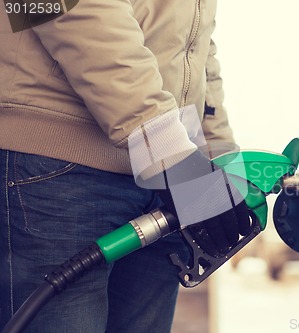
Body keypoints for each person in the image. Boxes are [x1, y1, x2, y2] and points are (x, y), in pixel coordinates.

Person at [0, 1, 249, 332]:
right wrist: (171, 153)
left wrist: (216, 153)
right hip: (64, 167)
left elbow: (195, 39)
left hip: (164, 170)